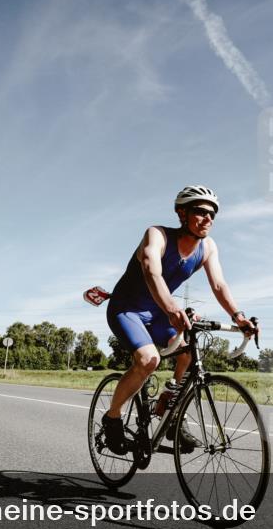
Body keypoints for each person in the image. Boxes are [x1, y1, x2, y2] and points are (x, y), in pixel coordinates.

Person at [100, 185, 258, 454]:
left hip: (160, 312)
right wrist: (174, 308)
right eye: (201, 212)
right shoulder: (157, 234)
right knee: (149, 359)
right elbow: (152, 271)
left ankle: (171, 410)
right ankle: (112, 418)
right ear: (181, 213)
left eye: (213, 215)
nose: (208, 219)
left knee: (188, 354)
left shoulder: (207, 247)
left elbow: (219, 285)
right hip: (127, 309)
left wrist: (239, 317)